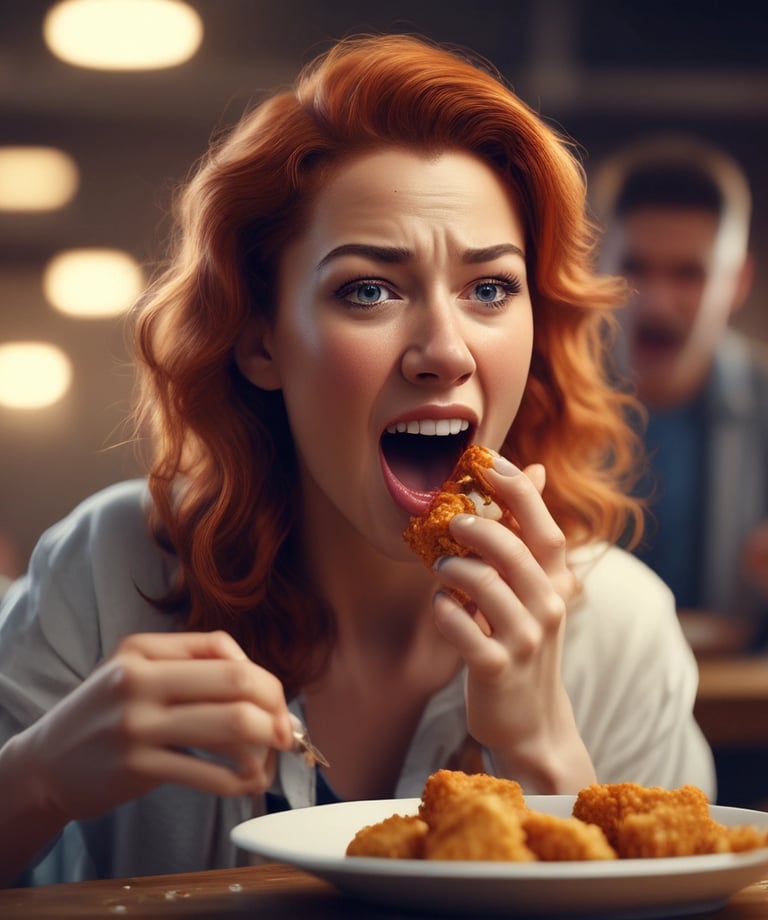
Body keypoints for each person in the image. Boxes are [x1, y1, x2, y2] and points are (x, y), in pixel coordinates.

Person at [0, 35, 713, 886]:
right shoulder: (108, 569)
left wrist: (546, 756)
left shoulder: (623, 632)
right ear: (261, 340)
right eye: (369, 290)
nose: (444, 352)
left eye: (490, 289)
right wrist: (36, 779)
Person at [592, 136, 768, 649]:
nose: (657, 304)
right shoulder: (535, 404)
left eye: (690, 274)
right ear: (594, 268)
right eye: (636, 268)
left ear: (736, 284)